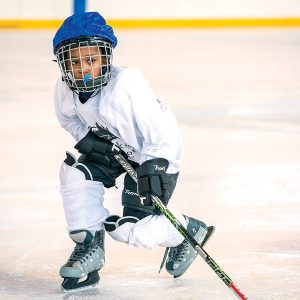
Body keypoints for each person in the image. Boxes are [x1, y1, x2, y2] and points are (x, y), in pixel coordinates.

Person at [53, 11, 214, 293]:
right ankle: (89, 247)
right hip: (114, 151)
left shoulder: (126, 85)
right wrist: (92, 140)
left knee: (130, 230)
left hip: (155, 155)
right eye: (75, 62)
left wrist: (154, 167)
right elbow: (70, 121)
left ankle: (186, 231)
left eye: (91, 59)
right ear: (63, 64)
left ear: (106, 57)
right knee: (75, 174)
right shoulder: (64, 90)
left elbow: (161, 134)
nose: (84, 69)